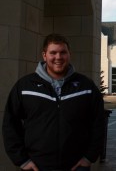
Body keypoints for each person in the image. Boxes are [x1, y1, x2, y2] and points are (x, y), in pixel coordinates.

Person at [2, 34, 105, 171]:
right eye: (53, 53)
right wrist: (22, 160)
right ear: (44, 55)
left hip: (76, 166)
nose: (58, 57)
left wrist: (89, 157)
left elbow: (98, 123)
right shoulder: (25, 86)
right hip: (36, 166)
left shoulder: (86, 86)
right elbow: (10, 124)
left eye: (63, 52)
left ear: (69, 54)